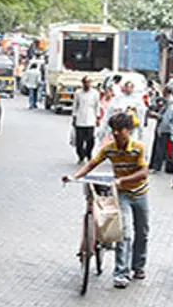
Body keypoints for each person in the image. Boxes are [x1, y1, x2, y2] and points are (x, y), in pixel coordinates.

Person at [63, 112, 150, 289]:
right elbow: (91, 164)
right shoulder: (109, 148)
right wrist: (74, 177)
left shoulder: (138, 148)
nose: (116, 133)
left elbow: (143, 172)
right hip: (121, 195)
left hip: (140, 193)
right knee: (124, 233)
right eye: (114, 130)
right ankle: (121, 273)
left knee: (143, 232)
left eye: (120, 130)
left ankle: (138, 266)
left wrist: (121, 180)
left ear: (128, 130)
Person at [72, 75, 99, 162]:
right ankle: (81, 156)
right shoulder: (78, 93)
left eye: (89, 82)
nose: (87, 84)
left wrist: (98, 117)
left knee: (90, 140)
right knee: (79, 141)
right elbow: (75, 106)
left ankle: (88, 154)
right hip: (80, 120)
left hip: (90, 120)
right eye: (85, 82)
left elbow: (97, 106)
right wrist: (74, 117)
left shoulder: (95, 93)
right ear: (82, 83)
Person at [148, 86, 173, 172]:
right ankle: (155, 165)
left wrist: (156, 115)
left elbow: (166, 117)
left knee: (160, 147)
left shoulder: (170, 102)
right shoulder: (167, 100)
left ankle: (156, 166)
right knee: (161, 147)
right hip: (164, 126)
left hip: (164, 127)